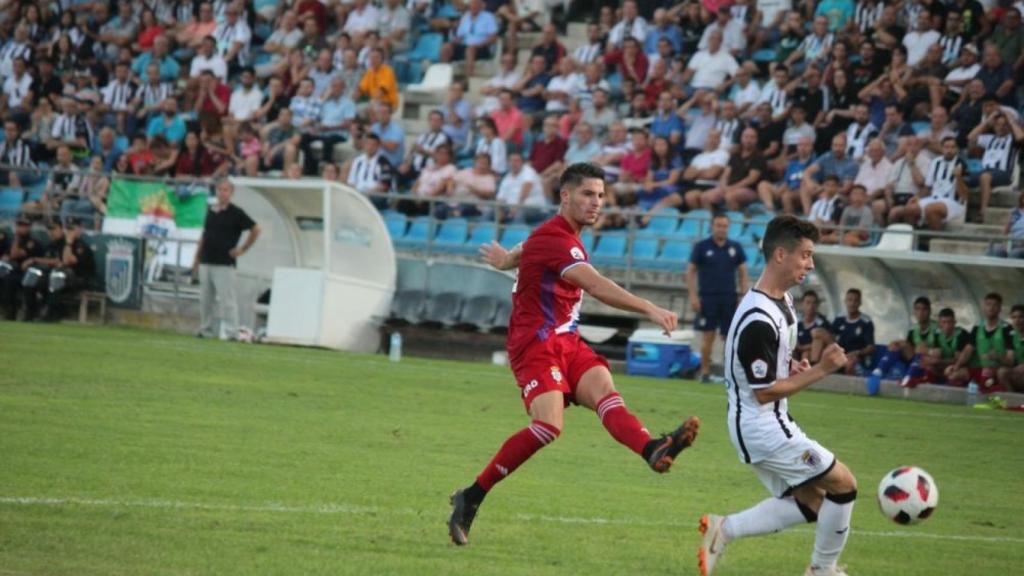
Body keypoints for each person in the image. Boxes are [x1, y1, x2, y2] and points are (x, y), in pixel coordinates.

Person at [447, 163, 700, 546]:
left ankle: (652, 448)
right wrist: (648, 307)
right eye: (587, 194)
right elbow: (595, 286)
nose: (596, 202)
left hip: (566, 340)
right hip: (535, 345)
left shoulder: (556, 235)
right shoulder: (559, 239)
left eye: (600, 195)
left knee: (604, 390)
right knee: (548, 426)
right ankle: (472, 496)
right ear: (565, 196)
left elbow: (528, 247)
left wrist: (508, 260)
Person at [698, 215, 857, 576]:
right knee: (843, 485)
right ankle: (822, 570)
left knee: (813, 503)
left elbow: (768, 369)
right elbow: (765, 391)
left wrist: (791, 366)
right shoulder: (758, 317)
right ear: (781, 255)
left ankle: (723, 530)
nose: (810, 264)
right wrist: (822, 369)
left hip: (766, 422)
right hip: (763, 426)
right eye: (805, 255)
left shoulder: (781, 300)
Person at [191, 179, 261, 340]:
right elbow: (205, 235)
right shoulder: (211, 210)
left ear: (231, 193)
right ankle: (206, 329)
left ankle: (231, 332)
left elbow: (256, 229)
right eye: (220, 190)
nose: (222, 193)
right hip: (207, 260)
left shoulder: (236, 213)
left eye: (226, 190)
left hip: (224, 262)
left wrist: (242, 249)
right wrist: (196, 258)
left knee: (227, 300)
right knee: (205, 299)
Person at [688, 213, 750, 383]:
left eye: (725, 226)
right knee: (708, 336)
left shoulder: (735, 247)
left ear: (728, 228)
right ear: (712, 226)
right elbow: (690, 271)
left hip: (729, 298)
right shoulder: (702, 247)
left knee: (730, 337)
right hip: (708, 298)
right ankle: (705, 372)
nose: (722, 229)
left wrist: (743, 296)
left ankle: (728, 373)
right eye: (718, 225)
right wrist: (693, 296)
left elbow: (743, 272)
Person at [945, 292, 1015, 392]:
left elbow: (1011, 361)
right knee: (954, 375)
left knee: (992, 377)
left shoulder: (1007, 329)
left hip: (998, 370)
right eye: (988, 304)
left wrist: (998, 357)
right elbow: (967, 351)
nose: (991, 308)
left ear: (1000, 308)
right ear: (984, 307)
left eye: (995, 305)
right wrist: (956, 366)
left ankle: (1008, 396)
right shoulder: (977, 327)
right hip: (981, 369)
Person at [872, 296, 938, 385]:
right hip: (915, 361)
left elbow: (939, 352)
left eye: (924, 309)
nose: (921, 313)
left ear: (929, 311)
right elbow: (910, 350)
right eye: (918, 309)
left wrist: (927, 351)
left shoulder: (937, 329)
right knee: (897, 345)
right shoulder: (913, 329)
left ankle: (909, 377)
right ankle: (879, 371)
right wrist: (897, 343)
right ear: (914, 312)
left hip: (931, 363)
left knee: (921, 351)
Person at [817, 288, 875, 375]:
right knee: (819, 334)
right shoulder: (840, 318)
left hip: (856, 357)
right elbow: (830, 336)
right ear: (845, 301)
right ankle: (813, 366)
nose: (852, 304)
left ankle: (848, 382)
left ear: (860, 303)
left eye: (855, 301)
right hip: (839, 353)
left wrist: (858, 353)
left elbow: (871, 347)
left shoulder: (866, 322)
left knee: (850, 363)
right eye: (850, 300)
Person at [1, 217, 45, 320]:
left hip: (30, 273)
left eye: (23, 226)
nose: (20, 228)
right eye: (19, 225)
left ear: (29, 227)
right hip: (16, 272)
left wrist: (16, 238)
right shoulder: (13, 241)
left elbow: (14, 254)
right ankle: (9, 312)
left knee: (24, 282)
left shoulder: (32, 242)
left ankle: (29, 314)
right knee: (7, 280)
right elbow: (6, 256)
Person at [796, 290, 830, 364]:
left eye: (814, 303)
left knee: (806, 355)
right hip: (797, 353)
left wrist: (803, 348)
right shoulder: (796, 322)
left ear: (817, 305)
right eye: (808, 303)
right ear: (802, 304)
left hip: (815, 355)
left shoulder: (823, 322)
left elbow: (825, 343)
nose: (811, 306)